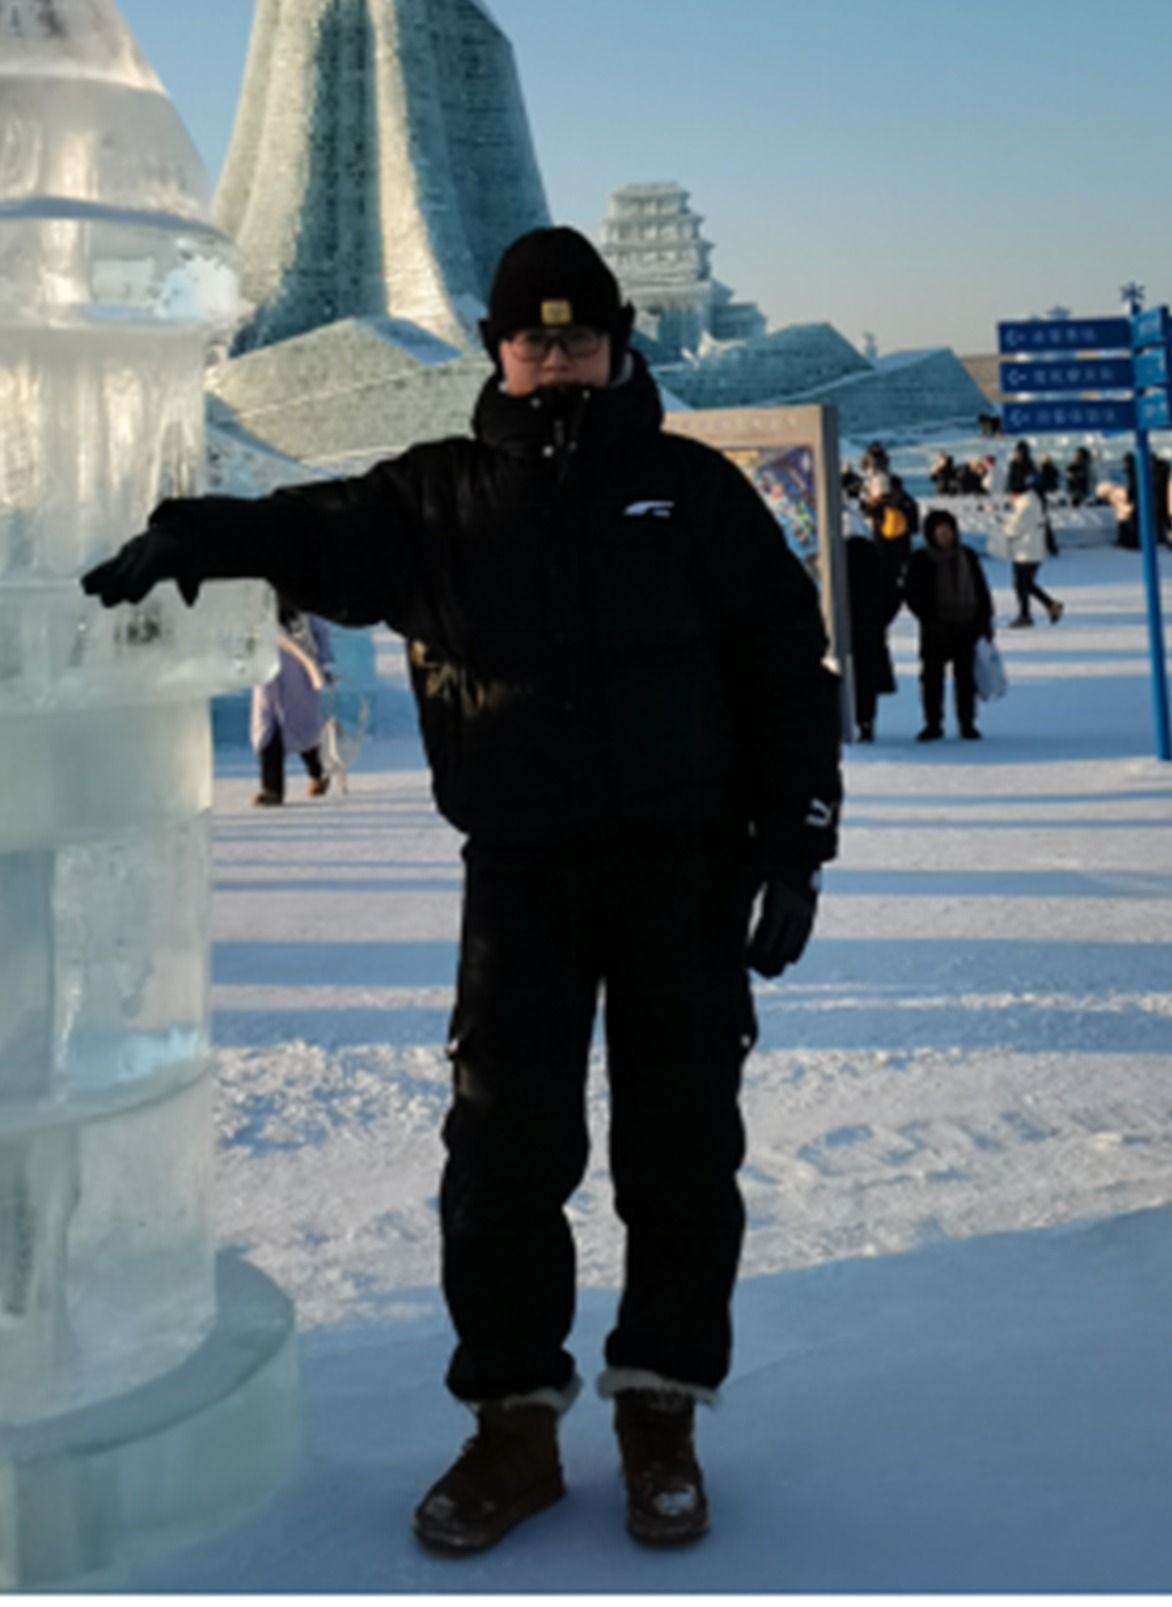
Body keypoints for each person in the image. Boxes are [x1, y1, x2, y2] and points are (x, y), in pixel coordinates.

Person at [81, 226, 843, 1554]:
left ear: (615, 344)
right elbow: (314, 528)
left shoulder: (688, 490)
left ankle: (660, 1406)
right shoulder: (438, 494)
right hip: (521, 874)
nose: (555, 359)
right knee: (500, 1153)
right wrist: (198, 529)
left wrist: (795, 844)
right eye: (533, 340)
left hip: (681, 869)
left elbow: (787, 664)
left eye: (578, 337)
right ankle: (512, 1420)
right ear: (497, 349)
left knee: (679, 1146)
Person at [904, 508, 994, 741]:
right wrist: (928, 615)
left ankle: (967, 723)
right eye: (940, 532)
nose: (945, 536)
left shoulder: (967, 556)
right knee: (932, 680)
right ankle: (933, 723)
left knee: (965, 679)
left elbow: (981, 591)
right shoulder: (921, 559)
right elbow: (911, 593)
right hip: (935, 629)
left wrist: (985, 623)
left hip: (966, 626)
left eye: (948, 531)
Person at [251, 598, 336, 806]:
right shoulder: (259, 601)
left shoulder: (304, 601)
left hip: (300, 672)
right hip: (268, 675)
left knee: (304, 732)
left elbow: (321, 632)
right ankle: (272, 789)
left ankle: (318, 773)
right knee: (268, 731)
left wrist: (326, 663)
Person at [845, 528, 900, 742]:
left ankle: (847, 720)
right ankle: (865, 721)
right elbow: (893, 598)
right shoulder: (879, 568)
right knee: (866, 682)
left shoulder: (840, 571)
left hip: (848, 631)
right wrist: (880, 621)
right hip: (871, 634)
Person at [1003, 466, 1064, 626]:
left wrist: (1007, 530)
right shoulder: (1037, 501)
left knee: (1021, 583)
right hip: (1033, 549)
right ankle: (1050, 605)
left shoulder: (1028, 503)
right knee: (1026, 583)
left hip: (1026, 549)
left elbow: (1017, 527)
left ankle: (1026, 615)